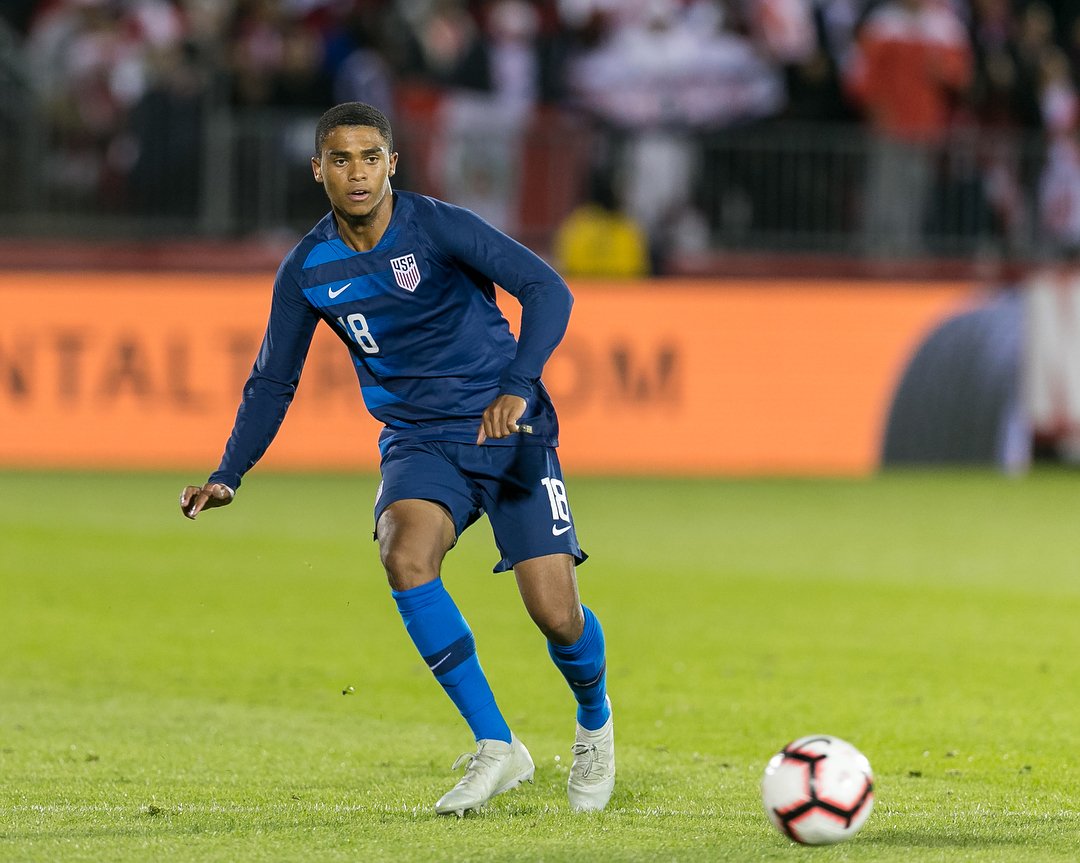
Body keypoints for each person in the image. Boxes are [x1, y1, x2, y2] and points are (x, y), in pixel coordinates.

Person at [178, 101, 614, 817]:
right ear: (318, 169)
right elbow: (272, 380)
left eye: (370, 157)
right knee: (404, 554)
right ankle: (496, 744)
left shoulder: (437, 226)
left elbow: (547, 289)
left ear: (392, 163)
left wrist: (518, 384)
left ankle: (594, 723)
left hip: (509, 430)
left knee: (555, 613)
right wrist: (229, 472)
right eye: (341, 159)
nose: (357, 172)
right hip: (418, 440)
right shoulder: (308, 269)